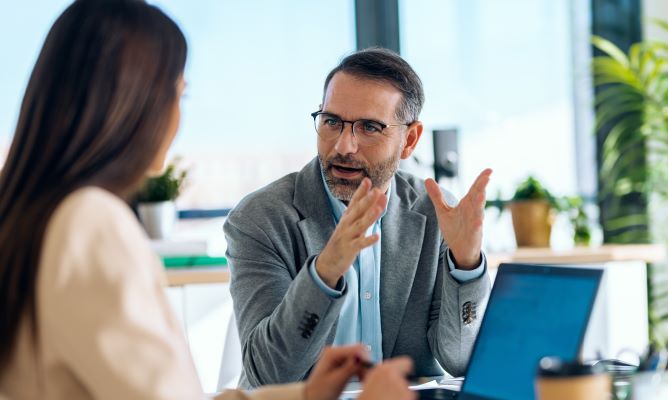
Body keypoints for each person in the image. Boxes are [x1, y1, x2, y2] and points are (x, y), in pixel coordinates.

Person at [0, 1, 414, 399]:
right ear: (131, 103)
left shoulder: (32, 217)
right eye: (178, 95)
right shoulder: (89, 224)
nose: (178, 118)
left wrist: (305, 396)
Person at [224, 47, 493, 389]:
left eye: (369, 127)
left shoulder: (437, 212)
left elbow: (460, 360)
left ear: (409, 140)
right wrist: (324, 273)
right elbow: (269, 377)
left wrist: (466, 265)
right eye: (332, 122)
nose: (344, 146)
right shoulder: (261, 219)